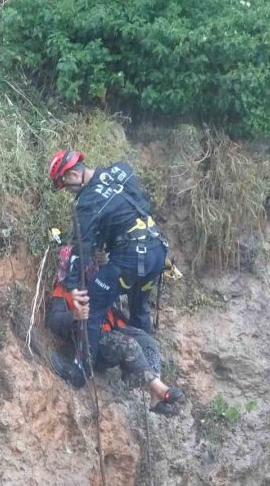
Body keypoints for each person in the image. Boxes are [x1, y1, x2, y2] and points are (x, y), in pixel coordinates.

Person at [47, 150, 185, 413]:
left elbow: (81, 247)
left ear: (73, 174)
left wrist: (74, 287)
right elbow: (140, 205)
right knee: (139, 314)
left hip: (130, 257)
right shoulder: (120, 171)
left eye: (66, 185)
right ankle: (154, 389)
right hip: (156, 251)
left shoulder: (86, 201)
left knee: (91, 305)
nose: (69, 192)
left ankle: (79, 373)